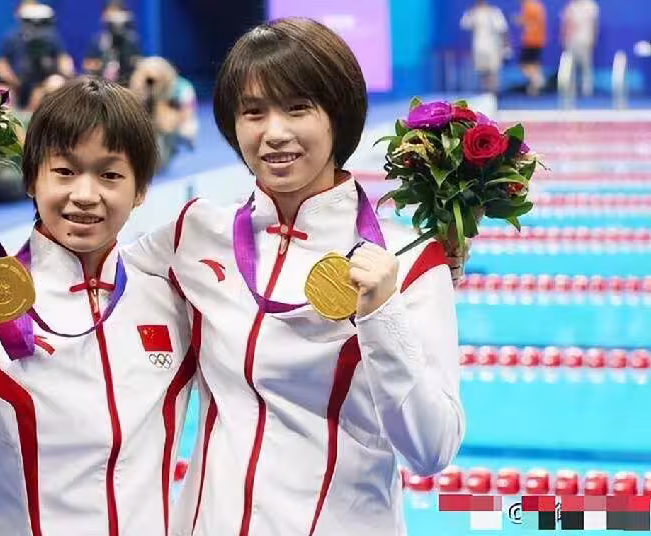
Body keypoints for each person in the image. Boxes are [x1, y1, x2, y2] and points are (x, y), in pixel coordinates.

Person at [125, 17, 464, 535]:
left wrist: (383, 316)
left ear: (337, 116)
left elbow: (431, 450)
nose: (274, 133)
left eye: (298, 108)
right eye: (253, 112)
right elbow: (84, 280)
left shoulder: (408, 260)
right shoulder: (195, 234)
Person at [0, 78, 197, 535]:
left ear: (140, 189)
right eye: (64, 171)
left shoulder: (171, 297)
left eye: (110, 175)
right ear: (31, 180)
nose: (85, 194)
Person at [0, 2, 75, 111]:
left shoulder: (52, 38)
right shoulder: (11, 37)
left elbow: (63, 60)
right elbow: (1, 65)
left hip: (43, 83)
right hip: (16, 84)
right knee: (1, 92)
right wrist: (16, 82)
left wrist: (64, 75)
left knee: (56, 83)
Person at [128, 57, 199, 169]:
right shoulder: (141, 85)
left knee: (183, 130)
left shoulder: (183, 88)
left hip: (176, 122)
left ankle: (176, 142)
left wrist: (164, 118)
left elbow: (186, 115)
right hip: (151, 121)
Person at [83, 0, 141, 86]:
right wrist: (104, 65)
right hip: (101, 84)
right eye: (110, 11)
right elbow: (87, 64)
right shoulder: (98, 40)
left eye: (116, 11)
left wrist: (125, 63)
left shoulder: (131, 40)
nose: (114, 15)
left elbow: (137, 62)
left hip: (126, 83)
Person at [461, 0, 510, 93]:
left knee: (493, 70)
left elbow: (502, 29)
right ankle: (485, 91)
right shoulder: (472, 12)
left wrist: (506, 47)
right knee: (482, 70)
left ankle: (493, 91)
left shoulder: (494, 12)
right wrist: (471, 12)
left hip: (493, 47)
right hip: (478, 47)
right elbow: (465, 25)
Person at [561, 0, 599, 97]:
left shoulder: (591, 6)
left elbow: (595, 24)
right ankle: (570, 89)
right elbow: (566, 23)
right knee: (570, 67)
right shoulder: (571, 6)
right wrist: (564, 38)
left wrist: (593, 38)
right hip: (571, 41)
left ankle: (587, 90)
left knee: (586, 66)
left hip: (585, 40)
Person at [515, 0, 547, 95]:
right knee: (534, 64)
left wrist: (518, 20)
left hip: (531, 40)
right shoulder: (538, 5)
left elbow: (528, 22)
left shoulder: (528, 6)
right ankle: (534, 87)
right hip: (539, 40)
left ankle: (538, 80)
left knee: (524, 65)